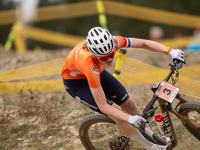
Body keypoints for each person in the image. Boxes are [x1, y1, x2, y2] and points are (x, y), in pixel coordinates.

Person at [61, 27, 185, 150]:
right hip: (77, 84)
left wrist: (170, 51)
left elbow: (144, 43)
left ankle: (151, 137)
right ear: (94, 54)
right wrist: (128, 118)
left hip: (98, 72)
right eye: (104, 57)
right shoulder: (88, 64)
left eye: (111, 54)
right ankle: (149, 146)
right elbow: (103, 105)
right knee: (116, 112)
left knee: (130, 105)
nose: (109, 59)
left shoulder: (114, 41)